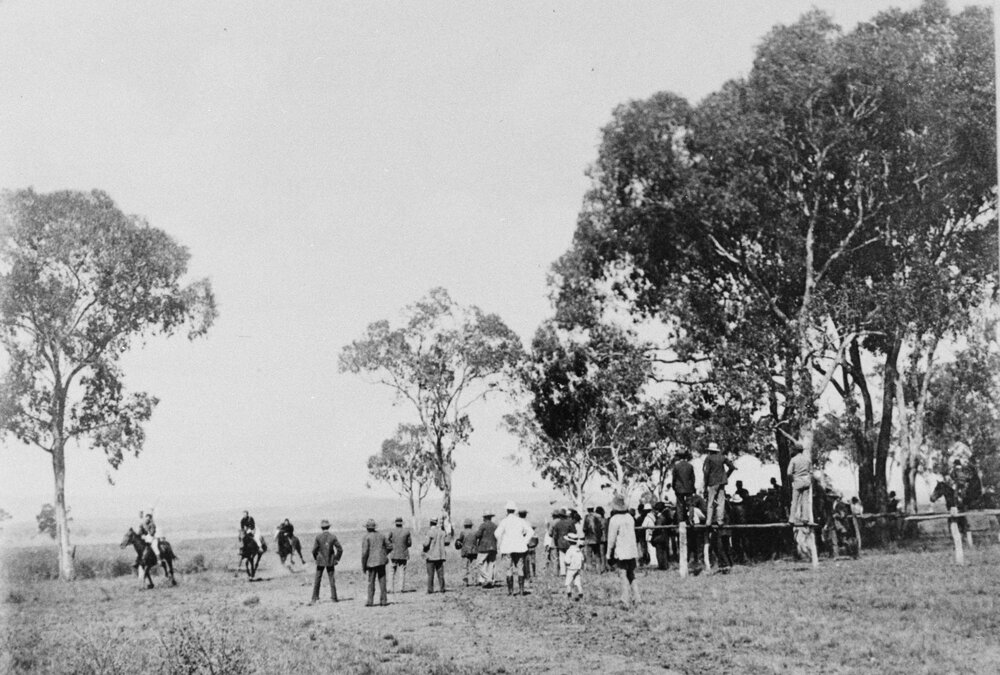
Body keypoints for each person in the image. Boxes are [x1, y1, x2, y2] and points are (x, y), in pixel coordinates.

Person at [605, 495, 641, 608]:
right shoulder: (630, 518)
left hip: (621, 551)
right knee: (631, 574)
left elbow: (611, 539)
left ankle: (625, 599)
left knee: (623, 574)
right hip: (631, 550)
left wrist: (608, 553)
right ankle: (637, 598)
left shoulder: (614, 520)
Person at [494, 501, 533, 596]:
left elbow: (497, 533)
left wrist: (502, 541)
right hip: (520, 548)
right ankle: (521, 590)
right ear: (515, 510)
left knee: (509, 569)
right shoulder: (521, 521)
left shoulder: (504, 521)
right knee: (520, 568)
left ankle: (510, 591)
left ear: (507, 510)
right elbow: (530, 532)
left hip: (507, 548)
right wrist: (524, 541)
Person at [703, 442, 736, 527]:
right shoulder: (722, 457)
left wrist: (705, 485)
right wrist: (726, 476)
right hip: (721, 482)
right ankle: (720, 520)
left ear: (710, 450)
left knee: (710, 502)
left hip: (712, 482)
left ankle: (709, 521)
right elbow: (732, 467)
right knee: (721, 501)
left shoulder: (708, 458)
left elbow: (706, 472)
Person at [310, 519, 343, 604]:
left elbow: (314, 550)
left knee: (317, 579)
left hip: (320, 561)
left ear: (321, 528)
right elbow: (340, 549)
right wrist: (336, 558)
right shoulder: (333, 537)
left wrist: (316, 558)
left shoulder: (318, 537)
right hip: (330, 560)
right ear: (328, 527)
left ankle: (314, 597)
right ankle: (334, 598)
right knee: (331, 579)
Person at [361, 519, 390, 607]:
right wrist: (384, 554)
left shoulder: (366, 537)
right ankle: (384, 601)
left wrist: (364, 565)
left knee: (371, 582)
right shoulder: (381, 535)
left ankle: (370, 601)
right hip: (381, 561)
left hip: (371, 563)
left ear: (367, 528)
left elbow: (364, 553)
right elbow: (390, 546)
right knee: (382, 581)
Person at [787, 446, 813, 525]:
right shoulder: (808, 459)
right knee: (805, 501)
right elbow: (811, 472)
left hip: (797, 481)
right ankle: (805, 518)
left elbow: (789, 473)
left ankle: (791, 519)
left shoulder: (794, 459)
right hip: (806, 481)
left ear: (795, 450)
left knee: (795, 501)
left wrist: (792, 480)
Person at [473, 509, 498, 588]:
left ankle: (488, 579)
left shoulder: (483, 525)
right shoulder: (495, 525)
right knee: (491, 564)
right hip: (493, 547)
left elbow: (478, 535)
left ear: (485, 517)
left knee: (478, 564)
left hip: (484, 547)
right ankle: (490, 580)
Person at [387, 516, 413, 593]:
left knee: (391, 571)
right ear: (402, 523)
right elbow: (409, 543)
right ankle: (400, 588)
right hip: (403, 554)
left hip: (394, 554)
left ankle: (390, 588)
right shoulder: (407, 532)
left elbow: (388, 542)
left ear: (395, 523)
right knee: (402, 571)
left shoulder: (392, 531)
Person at [422, 517, 448, 593]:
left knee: (430, 574)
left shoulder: (430, 532)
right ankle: (442, 588)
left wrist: (423, 545)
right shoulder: (442, 532)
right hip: (440, 556)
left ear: (430, 523)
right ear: (436, 522)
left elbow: (426, 544)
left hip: (431, 556)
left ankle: (430, 589)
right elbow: (446, 542)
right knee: (441, 574)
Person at [550, 508, 576, 576]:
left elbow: (555, 535)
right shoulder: (570, 523)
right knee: (570, 557)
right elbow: (574, 532)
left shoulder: (558, 524)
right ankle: (570, 571)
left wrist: (556, 541)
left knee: (562, 558)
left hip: (560, 543)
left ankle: (563, 572)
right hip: (569, 542)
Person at [454, 518, 479, 585]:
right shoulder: (475, 532)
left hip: (465, 552)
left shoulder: (463, 532)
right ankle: (475, 581)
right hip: (474, 551)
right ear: (471, 525)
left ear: (465, 525)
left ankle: (465, 582)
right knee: (474, 567)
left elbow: (460, 541)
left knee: (465, 567)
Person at [563, 532, 584, 601]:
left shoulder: (569, 551)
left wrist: (566, 564)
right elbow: (582, 559)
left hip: (571, 569)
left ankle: (569, 594)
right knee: (578, 582)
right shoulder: (578, 550)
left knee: (568, 582)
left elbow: (567, 561)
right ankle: (580, 593)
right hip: (578, 568)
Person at [650, 502, 671, 571]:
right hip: (664, 536)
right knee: (664, 551)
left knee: (659, 552)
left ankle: (662, 566)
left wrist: (653, 531)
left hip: (659, 536)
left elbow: (658, 527)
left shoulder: (660, 518)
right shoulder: (665, 516)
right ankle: (665, 565)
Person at [593, 506, 608, 573]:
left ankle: (600, 568)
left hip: (599, 538)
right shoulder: (605, 519)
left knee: (599, 554)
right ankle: (604, 567)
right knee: (603, 554)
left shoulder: (597, 520)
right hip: (605, 538)